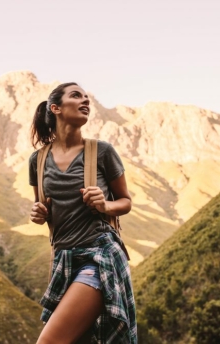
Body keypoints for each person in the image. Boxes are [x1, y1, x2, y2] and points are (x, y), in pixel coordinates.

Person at [29, 82, 137, 343]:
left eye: (87, 97)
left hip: (99, 257)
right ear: (55, 108)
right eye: (76, 96)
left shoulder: (102, 152)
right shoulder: (38, 160)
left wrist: (105, 205)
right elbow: (42, 208)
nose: (85, 101)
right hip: (62, 260)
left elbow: (125, 201)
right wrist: (38, 213)